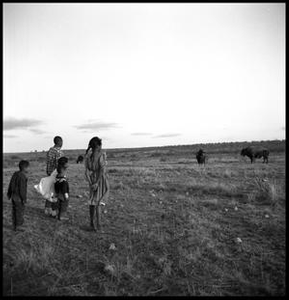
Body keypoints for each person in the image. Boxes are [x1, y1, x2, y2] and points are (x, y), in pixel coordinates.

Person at [85, 137, 109, 231]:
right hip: (100, 181)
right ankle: (99, 226)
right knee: (98, 203)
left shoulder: (88, 156)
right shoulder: (101, 155)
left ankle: (91, 223)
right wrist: (97, 183)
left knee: (92, 202)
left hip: (92, 180)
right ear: (98, 145)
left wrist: (91, 183)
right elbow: (102, 171)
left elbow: (86, 172)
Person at [7, 160, 29, 232]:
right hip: (19, 197)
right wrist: (24, 199)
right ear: (25, 168)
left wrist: (9, 194)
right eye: (27, 167)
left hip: (13, 196)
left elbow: (11, 184)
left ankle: (15, 225)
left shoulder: (15, 174)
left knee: (14, 211)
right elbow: (22, 189)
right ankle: (18, 226)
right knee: (19, 211)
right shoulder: (22, 176)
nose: (28, 169)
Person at [45, 136, 64, 216]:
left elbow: (48, 163)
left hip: (49, 173)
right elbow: (59, 165)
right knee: (56, 193)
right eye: (62, 141)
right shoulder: (58, 152)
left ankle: (47, 209)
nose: (62, 143)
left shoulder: (50, 150)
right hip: (56, 174)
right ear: (59, 142)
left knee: (50, 191)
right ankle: (54, 210)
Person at [54, 157, 70, 221]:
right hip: (63, 193)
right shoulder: (63, 180)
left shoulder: (58, 175)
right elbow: (64, 188)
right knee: (64, 204)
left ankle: (57, 215)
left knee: (58, 204)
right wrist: (66, 194)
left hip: (58, 192)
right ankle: (62, 216)